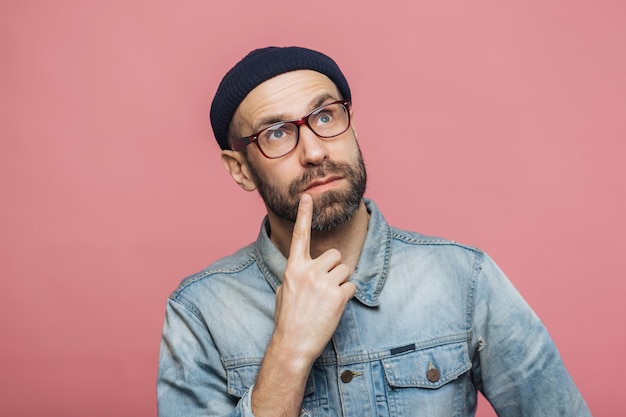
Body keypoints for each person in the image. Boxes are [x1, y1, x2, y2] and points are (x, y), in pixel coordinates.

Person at [157, 46, 590, 417]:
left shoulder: (464, 278)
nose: (313, 150)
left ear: (353, 126)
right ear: (241, 170)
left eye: (325, 117)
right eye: (277, 133)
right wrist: (288, 352)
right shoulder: (200, 312)